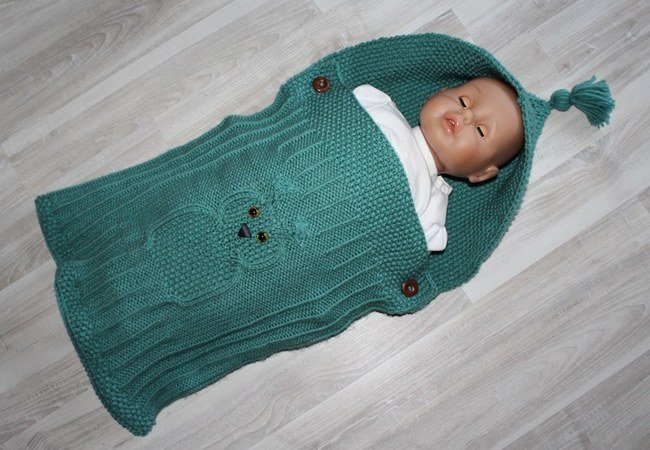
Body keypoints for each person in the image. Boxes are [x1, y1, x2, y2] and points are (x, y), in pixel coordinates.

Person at [353, 76, 525, 251]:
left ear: (481, 173)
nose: (467, 114)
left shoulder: (430, 205)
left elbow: (407, 249)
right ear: (437, 94)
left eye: (481, 130)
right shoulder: (378, 105)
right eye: (463, 101)